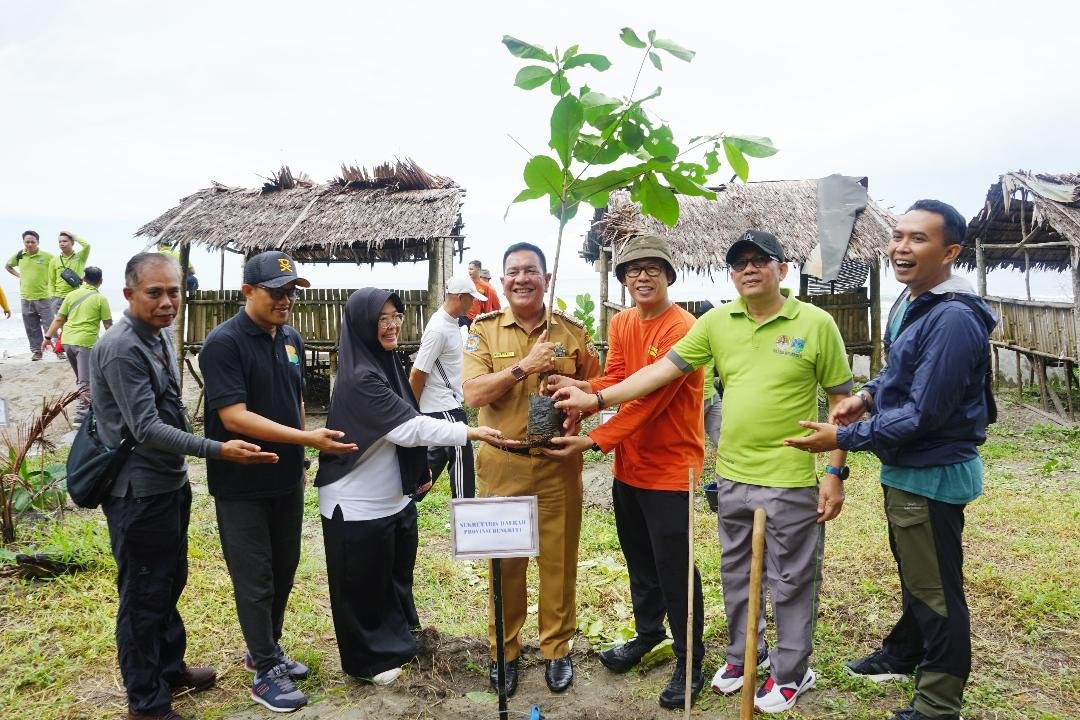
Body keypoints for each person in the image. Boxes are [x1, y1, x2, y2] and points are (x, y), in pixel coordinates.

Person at [554, 230, 853, 714]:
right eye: (739, 263)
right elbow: (637, 375)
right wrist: (589, 392)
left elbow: (656, 393)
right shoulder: (701, 322)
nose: (750, 269)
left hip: (748, 470)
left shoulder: (803, 324)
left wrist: (835, 471)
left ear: (783, 268)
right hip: (709, 472)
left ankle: (760, 666)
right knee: (723, 570)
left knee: (783, 576)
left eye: (761, 261)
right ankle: (724, 653)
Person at [784, 200, 996, 720]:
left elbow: (924, 413)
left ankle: (939, 702)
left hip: (930, 469)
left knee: (936, 588)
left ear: (950, 252)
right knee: (916, 572)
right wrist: (868, 395)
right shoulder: (913, 300)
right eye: (898, 235)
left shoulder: (951, 318)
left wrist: (844, 436)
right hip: (910, 466)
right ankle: (905, 650)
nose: (901, 247)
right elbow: (902, 375)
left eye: (918, 239)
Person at [91, 252, 278, 720]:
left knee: (170, 579)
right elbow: (146, 427)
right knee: (142, 593)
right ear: (129, 294)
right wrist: (218, 448)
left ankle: (170, 670)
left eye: (174, 291)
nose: (167, 301)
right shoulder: (122, 347)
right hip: (137, 492)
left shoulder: (156, 337)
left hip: (168, 483)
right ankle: (146, 702)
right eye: (154, 292)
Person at [544, 234, 708, 708]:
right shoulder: (624, 323)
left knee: (676, 568)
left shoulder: (684, 328)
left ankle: (690, 658)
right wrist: (581, 384)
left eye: (652, 268)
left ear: (669, 275)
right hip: (630, 465)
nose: (641, 276)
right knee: (641, 559)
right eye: (631, 270)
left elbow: (653, 401)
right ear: (622, 279)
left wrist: (594, 438)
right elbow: (617, 378)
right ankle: (648, 633)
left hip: (673, 469)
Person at [315, 288, 503, 685]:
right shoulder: (359, 377)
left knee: (392, 577)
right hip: (356, 503)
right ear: (363, 324)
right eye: (382, 318)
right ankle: (368, 662)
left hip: (392, 499)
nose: (392, 324)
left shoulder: (386, 364)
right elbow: (408, 428)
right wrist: (470, 432)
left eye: (396, 315)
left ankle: (399, 641)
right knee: (362, 585)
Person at [198, 251, 358, 713]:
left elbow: (294, 400)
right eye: (276, 292)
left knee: (284, 568)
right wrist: (308, 438)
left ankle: (264, 648)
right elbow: (234, 416)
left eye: (291, 291)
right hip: (242, 482)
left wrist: (303, 454)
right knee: (256, 578)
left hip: (287, 478)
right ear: (247, 291)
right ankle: (265, 670)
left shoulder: (291, 337)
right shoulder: (223, 344)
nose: (286, 300)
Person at [462, 242, 601, 696]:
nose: (522, 279)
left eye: (531, 271)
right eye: (513, 271)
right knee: (506, 565)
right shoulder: (483, 331)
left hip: (558, 464)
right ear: (501, 281)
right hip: (504, 465)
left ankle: (556, 650)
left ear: (545, 279)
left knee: (558, 564)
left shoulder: (573, 332)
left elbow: (596, 389)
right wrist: (524, 368)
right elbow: (474, 394)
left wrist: (576, 392)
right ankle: (504, 651)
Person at [409, 276, 487, 499]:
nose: (474, 303)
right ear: (460, 297)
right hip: (443, 405)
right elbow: (418, 372)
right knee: (462, 450)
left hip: (448, 402)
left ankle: (406, 499)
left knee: (435, 457)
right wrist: (411, 410)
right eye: (471, 299)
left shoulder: (453, 322)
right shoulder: (438, 329)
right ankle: (466, 512)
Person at [41, 266, 112, 423]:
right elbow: (108, 326)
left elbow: (59, 319)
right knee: (84, 381)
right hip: (85, 344)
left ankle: (90, 408)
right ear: (101, 281)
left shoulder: (71, 295)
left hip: (68, 342)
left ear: (84, 278)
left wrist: (47, 337)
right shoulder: (101, 299)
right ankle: (81, 416)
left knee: (81, 378)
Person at [6, 230, 55, 360]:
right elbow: (8, 266)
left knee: (50, 324)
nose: (30, 244)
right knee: (31, 327)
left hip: (44, 296)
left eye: (32, 242)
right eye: (27, 242)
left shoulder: (46, 256)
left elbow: (57, 267)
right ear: (23, 242)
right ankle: (37, 351)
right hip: (26, 297)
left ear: (38, 242)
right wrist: (19, 276)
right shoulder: (19, 255)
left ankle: (57, 349)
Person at [694, 300, 723, 447]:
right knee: (689, 441)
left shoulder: (719, 335)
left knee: (723, 437)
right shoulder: (694, 335)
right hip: (694, 400)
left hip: (711, 396)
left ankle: (732, 465)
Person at [48, 230, 92, 320]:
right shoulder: (54, 261)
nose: (62, 244)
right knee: (63, 325)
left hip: (77, 296)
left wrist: (73, 236)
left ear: (72, 243)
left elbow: (87, 245)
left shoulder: (80, 257)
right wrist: (52, 297)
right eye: (60, 242)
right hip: (59, 298)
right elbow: (51, 281)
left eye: (65, 241)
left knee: (77, 324)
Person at [462, 259, 500, 327]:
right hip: (463, 315)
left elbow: (491, 307)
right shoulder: (465, 282)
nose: (469, 271)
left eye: (471, 269)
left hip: (475, 319)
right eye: (469, 269)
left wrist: (487, 321)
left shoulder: (488, 288)